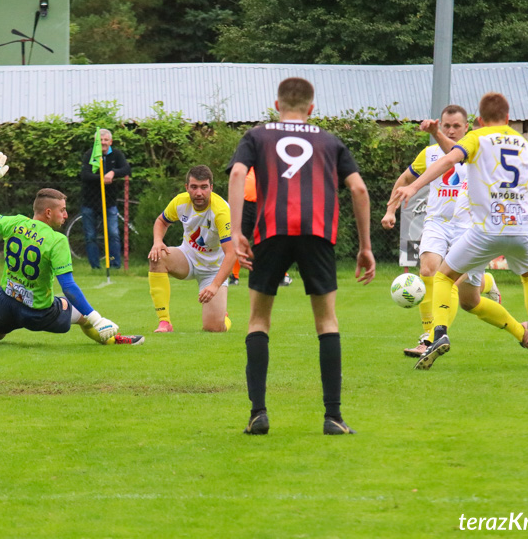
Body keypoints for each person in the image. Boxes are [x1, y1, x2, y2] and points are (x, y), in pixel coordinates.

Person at [390, 92, 528, 370]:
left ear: (476, 121)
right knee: (524, 278)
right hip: (523, 230)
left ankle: (437, 335)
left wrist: (414, 187)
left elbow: (447, 160)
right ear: (508, 118)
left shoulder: (476, 139)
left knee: (443, 278)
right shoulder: (522, 144)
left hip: (484, 230)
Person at [227, 77, 375, 436]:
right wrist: (365, 247)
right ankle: (333, 417)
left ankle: (258, 413)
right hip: (318, 231)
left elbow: (236, 172)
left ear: (277, 106)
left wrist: (235, 233)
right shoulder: (329, 140)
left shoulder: (258, 135)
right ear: (311, 108)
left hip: (271, 229)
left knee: (259, 321)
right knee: (326, 322)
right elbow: (357, 187)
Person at [0, 152, 144, 347]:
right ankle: (114, 340)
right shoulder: (56, 240)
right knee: (82, 315)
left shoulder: (13, 223)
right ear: (49, 212)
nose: (66, 215)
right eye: (63, 210)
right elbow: (68, 287)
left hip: (5, 301)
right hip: (38, 311)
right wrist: (97, 318)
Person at [381, 106, 501, 358]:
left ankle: (486, 282)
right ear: (441, 125)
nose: (451, 130)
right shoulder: (430, 154)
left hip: (467, 225)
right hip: (437, 221)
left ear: (467, 127)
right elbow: (404, 180)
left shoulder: (474, 153)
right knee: (427, 271)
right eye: (446, 126)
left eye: (456, 126)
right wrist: (390, 210)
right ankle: (428, 338)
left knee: (456, 285)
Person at [147, 165, 235, 333]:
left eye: (204, 187)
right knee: (156, 256)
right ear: (187, 187)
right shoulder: (180, 201)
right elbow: (161, 221)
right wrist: (158, 241)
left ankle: (223, 316)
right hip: (187, 258)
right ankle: (165, 322)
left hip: (213, 270)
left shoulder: (222, 211)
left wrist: (215, 286)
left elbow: (231, 254)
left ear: (211, 187)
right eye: (194, 187)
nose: (199, 192)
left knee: (214, 328)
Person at [228, 167, 292, 288]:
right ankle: (234, 276)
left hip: (263, 204)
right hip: (245, 205)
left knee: (269, 240)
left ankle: (283, 275)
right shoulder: (245, 164)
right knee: (239, 241)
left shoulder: (267, 162)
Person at [80, 129, 131, 269]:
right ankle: (95, 267)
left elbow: (127, 169)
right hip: (89, 202)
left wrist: (113, 173)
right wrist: (102, 179)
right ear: (96, 142)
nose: (103, 142)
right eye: (100, 140)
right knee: (90, 236)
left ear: (110, 141)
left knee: (113, 234)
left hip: (109, 202)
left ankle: (114, 264)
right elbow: (85, 175)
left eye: (105, 140)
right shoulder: (90, 155)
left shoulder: (117, 154)